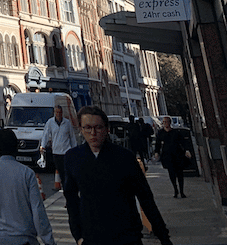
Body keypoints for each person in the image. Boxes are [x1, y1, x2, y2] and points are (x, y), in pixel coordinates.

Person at [63, 105, 172, 245]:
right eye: (88, 128)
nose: (93, 133)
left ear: (106, 129)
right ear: (81, 129)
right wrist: (78, 236)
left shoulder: (124, 157)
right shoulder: (73, 158)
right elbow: (71, 200)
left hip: (126, 234)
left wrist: (163, 236)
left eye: (98, 127)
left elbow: (145, 197)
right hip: (92, 236)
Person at [0, 127, 56, 245]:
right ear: (16, 147)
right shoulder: (27, 173)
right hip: (24, 238)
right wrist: (48, 241)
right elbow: (38, 211)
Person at [40, 104, 77, 188]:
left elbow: (72, 137)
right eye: (57, 112)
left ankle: (67, 186)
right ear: (54, 112)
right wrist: (43, 145)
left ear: (62, 113)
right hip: (56, 152)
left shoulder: (67, 123)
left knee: (66, 172)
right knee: (60, 171)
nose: (58, 114)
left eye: (60, 112)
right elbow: (46, 134)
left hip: (66, 151)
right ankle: (65, 186)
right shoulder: (50, 122)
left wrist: (75, 149)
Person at [154, 117, 191, 198]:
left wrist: (186, 150)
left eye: (166, 122)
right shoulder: (161, 133)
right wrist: (156, 152)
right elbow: (158, 144)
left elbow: (183, 142)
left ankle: (181, 191)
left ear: (169, 123)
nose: (165, 124)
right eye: (163, 122)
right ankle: (175, 189)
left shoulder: (175, 132)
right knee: (171, 174)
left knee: (180, 174)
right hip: (167, 156)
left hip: (177, 155)